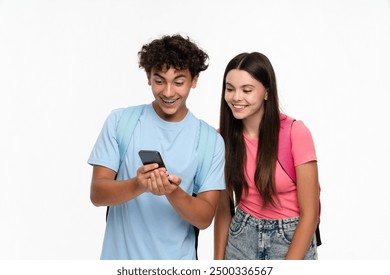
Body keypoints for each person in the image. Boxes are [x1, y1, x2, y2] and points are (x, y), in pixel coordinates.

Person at [88, 34, 225, 260]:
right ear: (148, 77)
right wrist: (138, 184)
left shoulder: (210, 140)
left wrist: (172, 192)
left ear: (194, 80)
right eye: (159, 80)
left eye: (179, 82)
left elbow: (204, 217)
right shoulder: (121, 121)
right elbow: (97, 194)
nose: (168, 92)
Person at [214, 52, 320, 260]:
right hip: (241, 236)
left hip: (290, 238)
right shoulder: (221, 138)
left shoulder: (295, 133)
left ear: (266, 93)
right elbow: (224, 212)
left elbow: (310, 215)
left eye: (247, 90)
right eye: (230, 89)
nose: (236, 97)